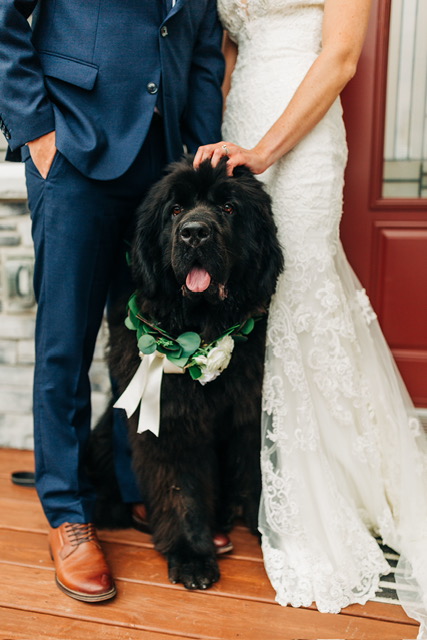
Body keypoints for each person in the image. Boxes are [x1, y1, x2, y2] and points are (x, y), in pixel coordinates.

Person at [194, 0, 427, 636]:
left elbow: (341, 58)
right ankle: (248, 482)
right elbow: (227, 52)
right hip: (240, 126)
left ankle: (322, 489)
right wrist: (219, 136)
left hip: (302, 133)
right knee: (245, 308)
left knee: (301, 292)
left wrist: (264, 151)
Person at [0, 0, 224, 602]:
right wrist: (36, 129)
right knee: (65, 344)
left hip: (166, 169)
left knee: (149, 345)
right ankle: (68, 513)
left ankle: (139, 489)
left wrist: (197, 163)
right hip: (74, 147)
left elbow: (203, 53)